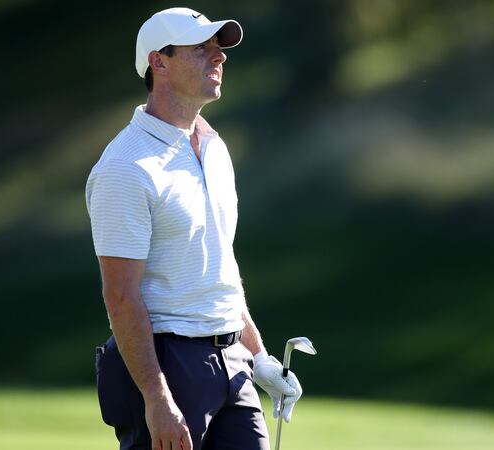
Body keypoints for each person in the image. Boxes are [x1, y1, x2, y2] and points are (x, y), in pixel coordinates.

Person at [85, 7, 303, 450]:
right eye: (201, 48)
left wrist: (259, 357)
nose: (218, 57)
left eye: (219, 49)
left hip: (233, 364)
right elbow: (121, 295)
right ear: (158, 63)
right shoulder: (126, 166)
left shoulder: (214, 147)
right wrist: (156, 397)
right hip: (168, 364)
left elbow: (217, 265)